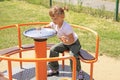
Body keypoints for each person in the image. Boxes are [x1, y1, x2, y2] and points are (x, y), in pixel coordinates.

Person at [41, 5, 84, 80]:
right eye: (52, 18)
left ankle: (78, 71)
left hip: (74, 43)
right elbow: (49, 25)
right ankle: (54, 69)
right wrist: (43, 27)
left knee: (72, 55)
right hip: (66, 44)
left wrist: (65, 40)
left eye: (56, 18)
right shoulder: (54, 24)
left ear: (62, 17)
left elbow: (71, 39)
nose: (54, 20)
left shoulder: (66, 27)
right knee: (53, 49)